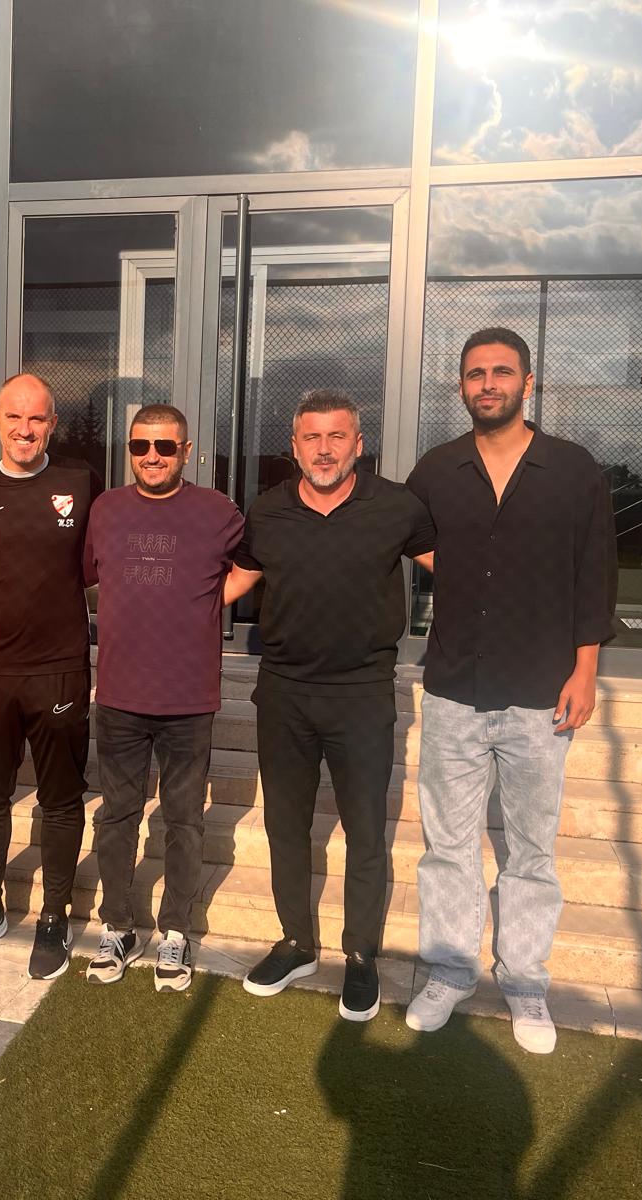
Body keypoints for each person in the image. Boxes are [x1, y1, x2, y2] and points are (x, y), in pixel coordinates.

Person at [402, 327, 616, 1054]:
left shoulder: (572, 469)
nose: (487, 384)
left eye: (500, 372)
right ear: (461, 386)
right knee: (448, 846)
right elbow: (406, 535)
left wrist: (585, 669)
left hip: (541, 690)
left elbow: (595, 572)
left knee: (530, 849)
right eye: (475, 374)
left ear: (528, 382)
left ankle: (524, 981)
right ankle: (448, 971)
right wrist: (463, 570)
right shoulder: (437, 469)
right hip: (454, 689)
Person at [224, 390, 433, 1022]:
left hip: (362, 696)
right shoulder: (268, 510)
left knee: (366, 832)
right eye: (311, 437)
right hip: (283, 693)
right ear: (294, 447)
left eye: (336, 436)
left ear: (357, 445)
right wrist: (147, 597)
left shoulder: (396, 507)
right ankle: (296, 943)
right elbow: (236, 580)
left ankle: (361, 954)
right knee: (286, 826)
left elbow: (460, 569)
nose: (323, 450)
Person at [0, 373, 102, 980]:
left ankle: (54, 917)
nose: (24, 429)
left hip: (58, 668)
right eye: (14, 417)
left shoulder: (82, 481)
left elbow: (109, 556)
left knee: (61, 799)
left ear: (52, 425)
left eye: (36, 419)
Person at [80, 403, 243, 991]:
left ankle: (175, 930)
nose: (152, 457)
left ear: (187, 451)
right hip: (119, 693)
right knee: (116, 816)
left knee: (184, 820)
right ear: (130, 450)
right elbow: (81, 575)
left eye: (165, 447)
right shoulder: (106, 509)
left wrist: (206, 604)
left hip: (188, 697)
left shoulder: (217, 511)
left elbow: (253, 567)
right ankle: (118, 925)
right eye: (141, 446)